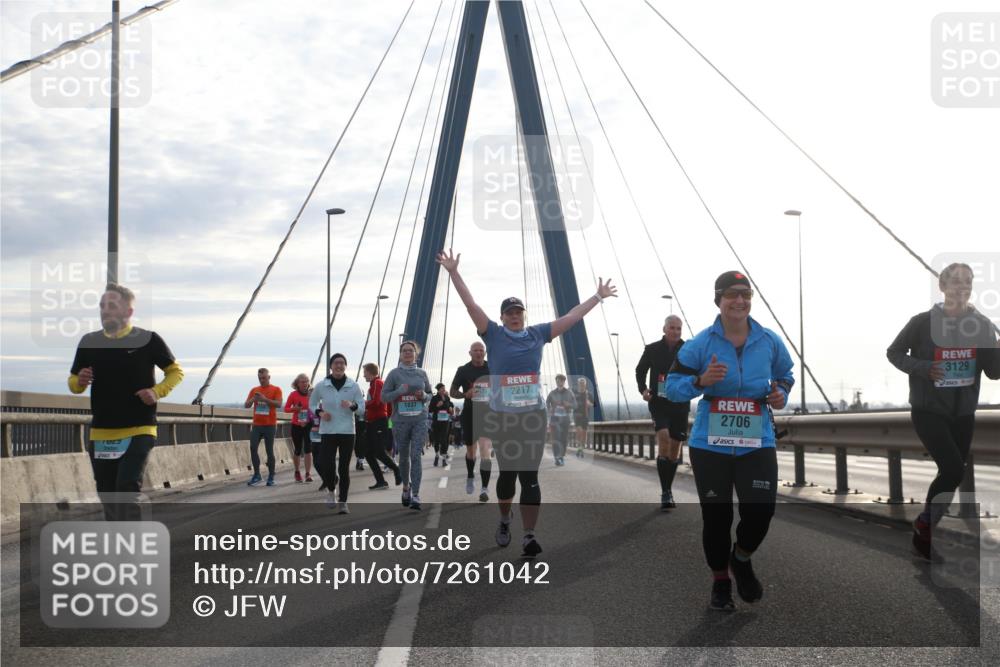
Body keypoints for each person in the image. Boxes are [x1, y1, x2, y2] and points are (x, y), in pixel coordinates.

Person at [438, 248, 617, 558]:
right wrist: (453, 272)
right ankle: (505, 520)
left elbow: (572, 317)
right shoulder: (492, 334)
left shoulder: (538, 334)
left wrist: (597, 297)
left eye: (518, 311)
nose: (515, 316)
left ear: (524, 315)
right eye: (509, 312)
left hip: (532, 417)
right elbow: (470, 305)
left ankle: (529, 536)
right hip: (504, 419)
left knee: (530, 477)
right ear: (503, 317)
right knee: (508, 476)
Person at [666, 271, 794, 611]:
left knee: (761, 510)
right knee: (717, 517)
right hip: (710, 445)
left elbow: (785, 374)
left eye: (746, 294)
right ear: (718, 300)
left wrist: (781, 392)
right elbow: (672, 388)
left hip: (757, 441)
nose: (740, 300)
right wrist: (700, 380)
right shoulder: (700, 344)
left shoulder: (768, 341)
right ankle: (720, 581)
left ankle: (741, 557)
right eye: (732, 294)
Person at [887, 262, 1000, 561]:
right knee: (952, 469)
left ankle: (925, 532)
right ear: (943, 287)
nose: (962, 287)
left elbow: (994, 372)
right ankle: (926, 522)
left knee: (952, 473)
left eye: (968, 282)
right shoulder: (922, 323)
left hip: (963, 412)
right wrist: (923, 368)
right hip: (928, 410)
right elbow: (894, 353)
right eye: (956, 282)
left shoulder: (983, 325)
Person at [69, 284, 184, 521]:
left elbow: (175, 372)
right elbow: (74, 383)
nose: (104, 311)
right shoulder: (89, 341)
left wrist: (157, 391)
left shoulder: (148, 339)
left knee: (126, 487)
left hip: (139, 428)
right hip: (101, 432)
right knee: (107, 493)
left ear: (128, 312)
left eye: (111, 306)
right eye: (102, 306)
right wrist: (79, 381)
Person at [636, 314, 691, 510]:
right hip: (659, 403)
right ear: (664, 329)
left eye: (678, 328)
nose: (675, 331)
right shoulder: (652, 349)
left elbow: (696, 371)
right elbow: (640, 370)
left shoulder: (688, 349)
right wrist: (643, 389)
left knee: (675, 449)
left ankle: (668, 490)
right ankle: (665, 492)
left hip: (680, 404)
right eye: (672, 328)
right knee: (664, 438)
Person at [309, 353, 364, 513]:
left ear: (345, 366)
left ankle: (343, 501)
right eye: (336, 363)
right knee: (328, 465)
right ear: (331, 366)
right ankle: (331, 491)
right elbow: (312, 404)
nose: (339, 365)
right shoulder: (321, 385)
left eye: (342, 363)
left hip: (347, 432)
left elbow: (362, 409)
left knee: (344, 468)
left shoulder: (353, 386)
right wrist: (319, 413)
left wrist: (352, 405)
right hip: (328, 431)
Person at [382, 340, 433, 511]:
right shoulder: (394, 374)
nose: (407, 353)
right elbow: (384, 397)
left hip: (419, 420)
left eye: (410, 351)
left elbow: (430, 394)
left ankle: (416, 495)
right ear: (400, 354)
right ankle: (406, 487)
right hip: (400, 422)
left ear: (416, 354)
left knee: (415, 456)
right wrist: (398, 392)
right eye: (404, 351)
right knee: (403, 457)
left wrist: (423, 396)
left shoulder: (422, 373)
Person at [450, 341, 494, 500]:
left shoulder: (493, 368)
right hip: (469, 414)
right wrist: (464, 395)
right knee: (471, 451)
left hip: (488, 415)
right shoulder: (463, 370)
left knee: (485, 451)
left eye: (481, 350)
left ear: (485, 352)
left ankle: (484, 488)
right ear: (470, 353)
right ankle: (470, 475)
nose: (478, 353)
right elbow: (452, 392)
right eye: (475, 350)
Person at [362, 362, 402, 489]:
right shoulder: (375, 384)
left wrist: (363, 404)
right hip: (374, 422)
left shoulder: (377, 383)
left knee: (378, 452)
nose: (363, 376)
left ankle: (397, 470)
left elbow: (377, 402)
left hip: (378, 422)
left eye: (365, 373)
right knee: (368, 453)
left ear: (370, 372)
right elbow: (387, 404)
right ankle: (381, 481)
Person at [244, 368, 283, 487]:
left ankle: (271, 476)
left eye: (264, 378)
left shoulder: (276, 389)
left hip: (270, 425)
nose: (262, 380)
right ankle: (257, 474)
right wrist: (253, 399)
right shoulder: (254, 390)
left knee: (269, 451)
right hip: (257, 425)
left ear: (269, 377)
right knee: (252, 447)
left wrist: (264, 399)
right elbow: (246, 405)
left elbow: (279, 404)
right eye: (260, 378)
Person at [284, 374, 314, 483]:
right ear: (297, 383)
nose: (305, 384)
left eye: (306, 381)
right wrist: (295, 409)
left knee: (308, 448)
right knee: (297, 449)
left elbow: (315, 408)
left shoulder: (311, 395)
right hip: (296, 425)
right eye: (302, 381)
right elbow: (286, 409)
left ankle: (308, 473)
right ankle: (297, 471)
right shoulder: (293, 395)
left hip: (308, 424)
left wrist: (308, 420)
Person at [546, 374, 576, 466]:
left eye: (561, 380)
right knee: (556, 438)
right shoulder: (552, 393)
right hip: (555, 419)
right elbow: (547, 403)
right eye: (558, 380)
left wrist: (568, 405)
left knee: (563, 439)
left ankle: (561, 456)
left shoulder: (569, 393)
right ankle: (557, 458)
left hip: (565, 419)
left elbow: (575, 405)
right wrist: (549, 409)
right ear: (556, 382)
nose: (559, 382)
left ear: (564, 381)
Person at [428, 383, 454, 467]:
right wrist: (436, 405)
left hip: (445, 422)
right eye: (442, 388)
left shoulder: (447, 398)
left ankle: (443, 459)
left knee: (444, 439)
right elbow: (430, 409)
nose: (444, 390)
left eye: (444, 388)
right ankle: (436, 455)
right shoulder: (434, 398)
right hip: (436, 421)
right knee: (436, 440)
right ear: (438, 390)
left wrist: (451, 409)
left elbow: (450, 406)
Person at [572, 377, 593, 458]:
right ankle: (579, 447)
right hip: (577, 416)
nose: (581, 385)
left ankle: (581, 449)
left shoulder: (589, 394)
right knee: (579, 431)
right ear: (578, 385)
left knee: (584, 433)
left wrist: (589, 403)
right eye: (580, 384)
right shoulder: (575, 394)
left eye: (583, 384)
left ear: (585, 385)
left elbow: (594, 404)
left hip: (585, 416)